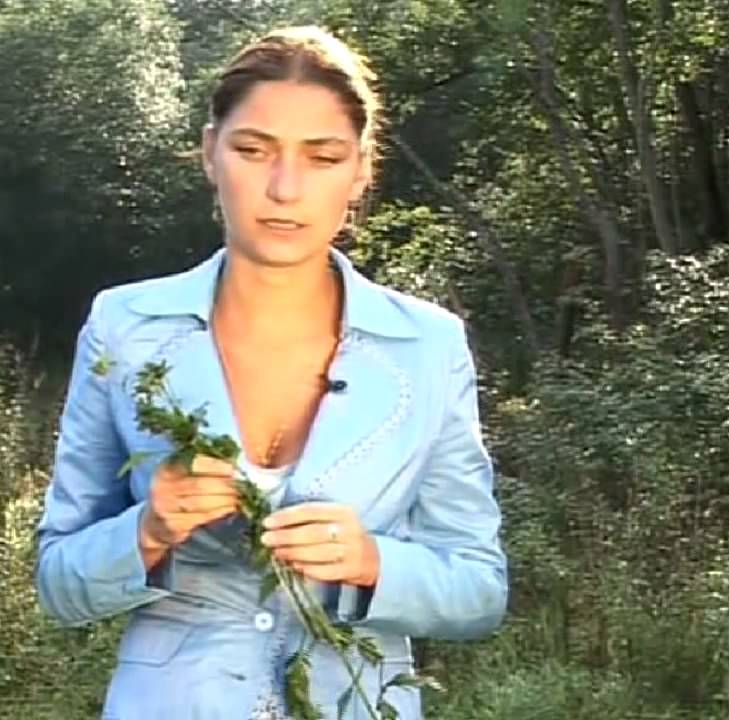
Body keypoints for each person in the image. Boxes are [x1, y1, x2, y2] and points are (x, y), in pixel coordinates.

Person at [35, 25, 507, 720]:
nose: (285, 188)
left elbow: (479, 589)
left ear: (360, 170)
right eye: (253, 151)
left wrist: (373, 563)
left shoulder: (428, 345)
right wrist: (148, 531)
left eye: (322, 157)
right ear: (210, 153)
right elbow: (57, 584)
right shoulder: (126, 327)